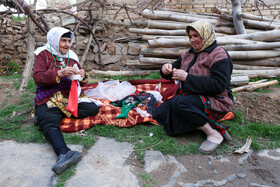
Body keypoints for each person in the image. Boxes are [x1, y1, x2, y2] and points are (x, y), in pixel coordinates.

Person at [153, 20, 234, 154]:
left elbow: (219, 85)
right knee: (160, 113)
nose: (192, 40)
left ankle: (214, 132)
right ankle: (197, 122)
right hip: (192, 96)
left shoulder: (219, 55)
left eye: (196, 36)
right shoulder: (190, 54)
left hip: (215, 99)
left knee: (179, 105)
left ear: (206, 34)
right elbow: (174, 68)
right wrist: (166, 68)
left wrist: (187, 78)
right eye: (190, 36)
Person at [33, 27, 100, 175]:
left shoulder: (72, 56)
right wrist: (59, 73)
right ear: (55, 40)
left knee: (92, 108)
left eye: (69, 41)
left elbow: (79, 82)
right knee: (49, 119)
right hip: (49, 97)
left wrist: (82, 75)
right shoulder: (43, 55)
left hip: (68, 97)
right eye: (63, 40)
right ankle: (64, 153)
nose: (67, 44)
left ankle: (45, 115)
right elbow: (38, 77)